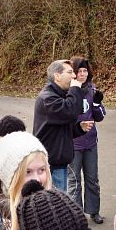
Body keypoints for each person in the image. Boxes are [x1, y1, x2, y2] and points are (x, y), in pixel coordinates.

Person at [33, 60, 87, 192]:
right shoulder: (48, 98)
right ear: (57, 76)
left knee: (58, 200)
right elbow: (70, 111)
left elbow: (61, 128)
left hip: (57, 163)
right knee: (54, 202)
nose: (74, 76)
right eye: (70, 72)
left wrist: (79, 129)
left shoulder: (58, 95)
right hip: (50, 165)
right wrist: (75, 89)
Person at [67, 56, 106, 224]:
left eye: (85, 71)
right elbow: (64, 116)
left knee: (92, 179)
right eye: (79, 71)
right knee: (74, 181)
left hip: (90, 143)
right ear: (73, 73)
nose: (83, 74)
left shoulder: (92, 89)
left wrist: (97, 104)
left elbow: (100, 117)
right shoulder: (67, 91)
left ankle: (94, 211)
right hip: (73, 144)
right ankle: (76, 216)